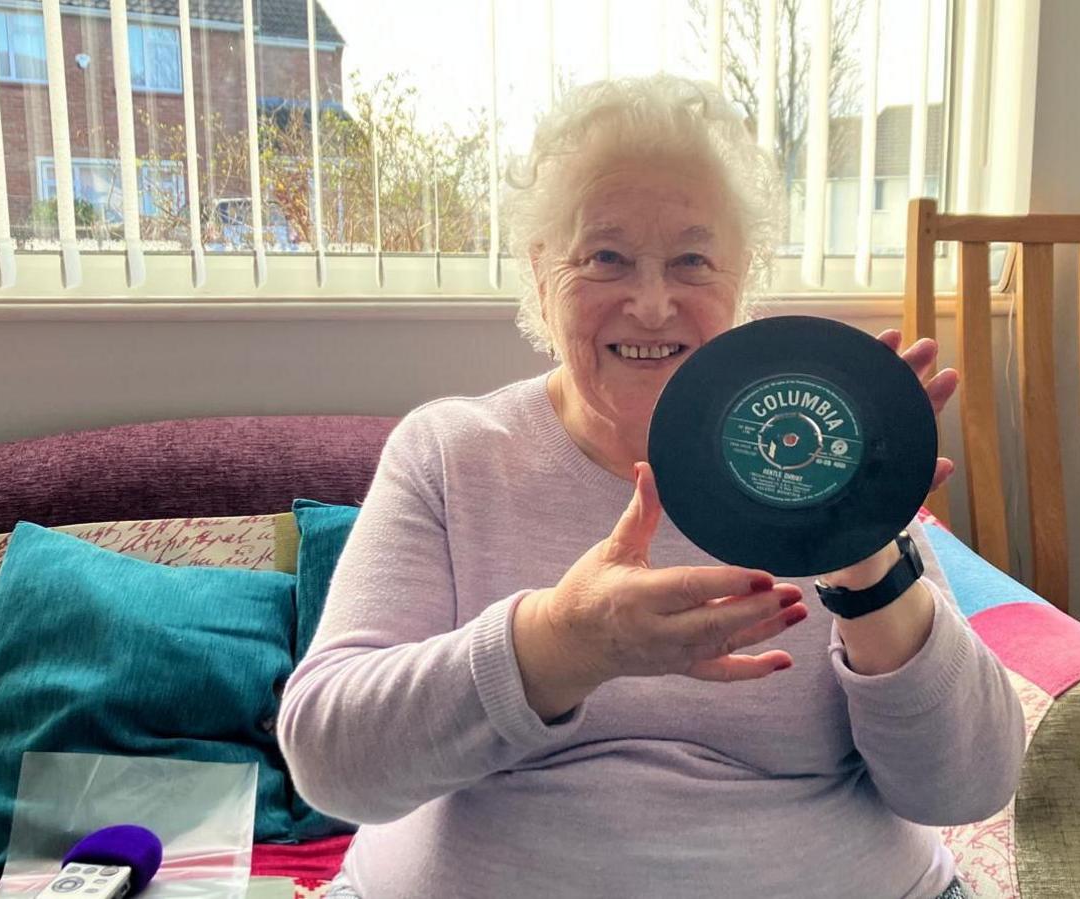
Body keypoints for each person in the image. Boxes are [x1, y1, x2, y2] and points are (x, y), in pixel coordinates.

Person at [277, 75, 1024, 899]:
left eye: (692, 260)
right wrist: (561, 644)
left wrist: (862, 547)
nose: (653, 302)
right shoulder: (450, 454)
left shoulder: (815, 453)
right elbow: (331, 759)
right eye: (606, 257)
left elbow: (967, 786)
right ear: (538, 272)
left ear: (742, 280)